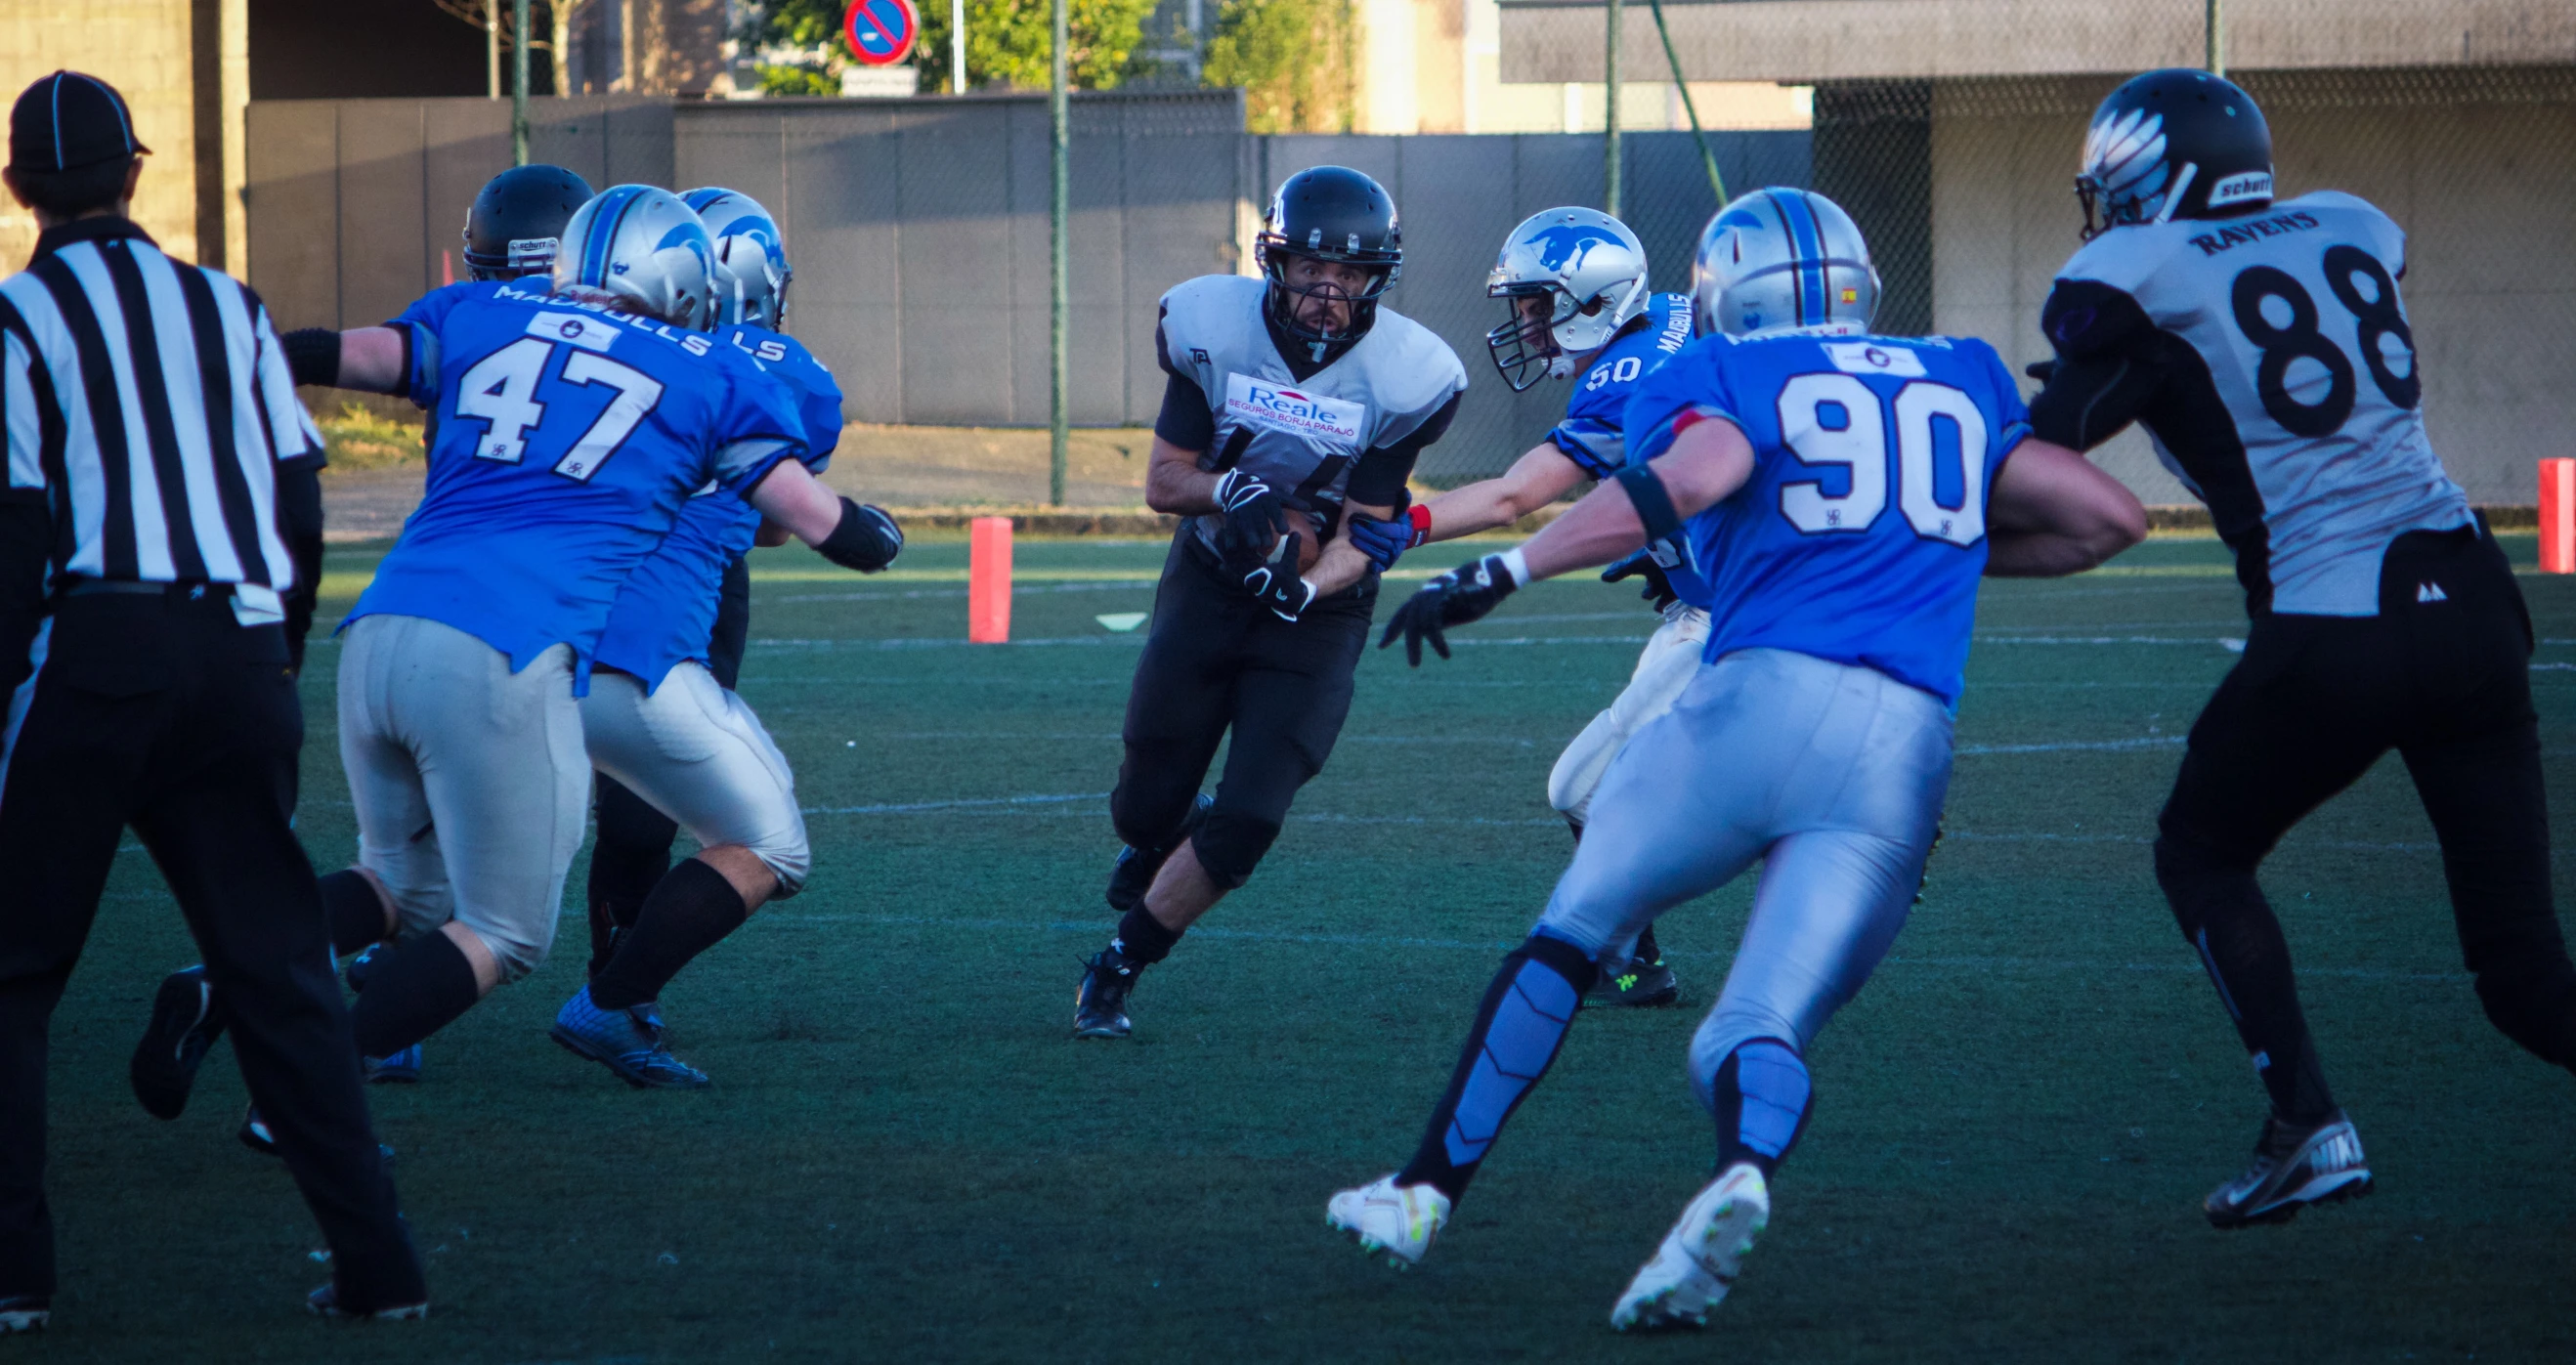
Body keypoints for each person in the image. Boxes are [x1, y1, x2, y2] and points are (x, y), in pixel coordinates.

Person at [1326, 188, 2147, 1330]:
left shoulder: (1710, 373)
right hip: (1902, 748)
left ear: (1722, 290)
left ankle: (1420, 1193)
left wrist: (1506, 573)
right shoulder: (1956, 369)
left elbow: (1698, 473)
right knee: (1752, 1022)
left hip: (1756, 691)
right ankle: (1737, 1175)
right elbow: (2107, 516)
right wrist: (1917, 554)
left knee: (1567, 933)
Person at [126, 185, 898, 1136]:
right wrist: (880, 531)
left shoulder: (483, 311)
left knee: (405, 886)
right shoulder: (723, 370)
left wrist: (213, 352)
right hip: (523, 651)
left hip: (378, 634)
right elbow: (826, 526)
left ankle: (224, 982)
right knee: (510, 925)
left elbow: (339, 355)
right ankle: (317, 1082)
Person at [2027, 68, 2576, 1227]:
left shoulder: (2144, 280)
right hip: (2475, 601)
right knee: (2527, 979)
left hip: (2337, 620)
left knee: (2198, 849)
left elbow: (2047, 441)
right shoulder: (2347, 226)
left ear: (2146, 177)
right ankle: (2304, 1130)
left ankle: (2305, 1123)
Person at [0, 69, 427, 1329]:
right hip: (237, 654)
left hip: (93, 652)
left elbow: (17, 529)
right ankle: (380, 1264)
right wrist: (273, 651)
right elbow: (296, 500)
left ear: (19, 186)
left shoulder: (18, 322)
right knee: (282, 968)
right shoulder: (228, 309)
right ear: (137, 172)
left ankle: (16, 1271)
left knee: (14, 971)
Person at [1070, 165, 1467, 1040]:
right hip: (1211, 574)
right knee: (1142, 808)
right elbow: (1165, 483)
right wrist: (1229, 497)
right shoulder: (1210, 326)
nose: (1330, 291)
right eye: (1311, 269)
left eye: (1352, 274)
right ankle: (1161, 837)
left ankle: (1119, 963)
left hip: (1317, 608)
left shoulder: (1408, 376)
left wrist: (1301, 582)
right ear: (1274, 263)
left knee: (1251, 812)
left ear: (1379, 279)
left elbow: (1365, 532)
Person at [1347, 206, 1703, 1007]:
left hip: (1737, 613)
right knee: (1608, 781)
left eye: (1539, 304)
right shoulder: (1674, 314)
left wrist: (1408, 526)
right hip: (1730, 590)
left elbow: (1515, 495)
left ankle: (1635, 949)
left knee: (1581, 787)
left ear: (1593, 298)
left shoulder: (1624, 377)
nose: (1528, 324)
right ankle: (1634, 952)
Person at [557, 187, 856, 1088]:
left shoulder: (600, 347)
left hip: (548, 598)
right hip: (663, 612)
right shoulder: (779, 369)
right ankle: (614, 998)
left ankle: (382, 1002)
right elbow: (782, 517)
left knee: (543, 817)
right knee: (729, 825)